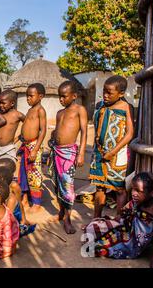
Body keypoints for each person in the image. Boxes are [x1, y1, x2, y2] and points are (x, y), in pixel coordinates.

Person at [83, 172, 153, 267]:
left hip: (134, 245)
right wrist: (109, 223)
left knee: (94, 248)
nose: (133, 193)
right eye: (133, 189)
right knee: (92, 228)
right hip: (127, 229)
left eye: (138, 191)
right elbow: (122, 215)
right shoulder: (137, 201)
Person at [89, 76, 134, 219]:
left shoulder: (125, 107)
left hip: (116, 155)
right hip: (99, 153)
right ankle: (96, 218)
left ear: (121, 94)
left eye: (109, 92)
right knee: (99, 186)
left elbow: (129, 134)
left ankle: (119, 221)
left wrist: (113, 152)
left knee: (119, 189)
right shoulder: (100, 105)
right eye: (104, 91)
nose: (105, 95)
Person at [48, 81, 88, 234]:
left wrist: (81, 153)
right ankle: (61, 212)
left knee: (68, 186)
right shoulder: (60, 113)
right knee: (57, 184)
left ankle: (67, 219)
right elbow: (58, 130)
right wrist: (52, 139)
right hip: (56, 151)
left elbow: (84, 132)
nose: (61, 99)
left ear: (74, 96)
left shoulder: (80, 110)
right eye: (59, 96)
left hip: (69, 153)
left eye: (64, 96)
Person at [17, 83, 47, 213]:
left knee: (34, 174)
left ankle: (36, 203)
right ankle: (24, 198)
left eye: (31, 96)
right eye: (27, 96)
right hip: (26, 146)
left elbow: (43, 130)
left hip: (34, 146)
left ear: (40, 96)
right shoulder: (30, 110)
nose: (28, 98)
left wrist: (35, 149)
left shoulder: (40, 110)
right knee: (24, 173)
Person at [0, 89, 25, 163]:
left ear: (12, 103)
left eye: (3, 103)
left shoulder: (17, 115)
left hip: (8, 149)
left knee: (7, 170)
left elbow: (28, 125)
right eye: (0, 102)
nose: (1, 105)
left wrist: (19, 137)